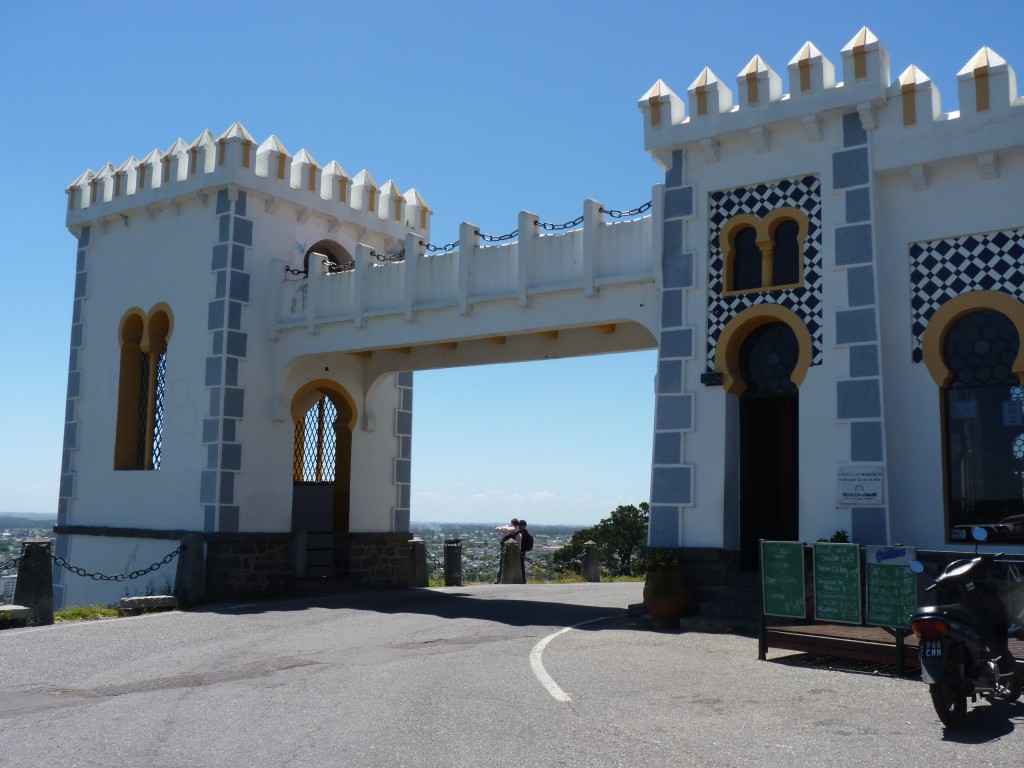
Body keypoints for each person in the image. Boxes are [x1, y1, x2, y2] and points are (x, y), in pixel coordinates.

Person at [494, 518, 520, 583]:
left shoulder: (507, 529)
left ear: (512, 523)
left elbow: (497, 529)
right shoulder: (518, 534)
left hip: (504, 549)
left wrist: (504, 529)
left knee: (501, 564)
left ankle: (498, 580)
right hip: (513, 552)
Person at [517, 520, 532, 584]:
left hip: (522, 552)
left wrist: (523, 549)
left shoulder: (528, 536)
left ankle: (523, 579)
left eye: (521, 525)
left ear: (524, 526)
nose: (519, 527)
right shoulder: (516, 534)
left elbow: (529, 547)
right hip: (514, 552)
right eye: (519, 525)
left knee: (521, 566)